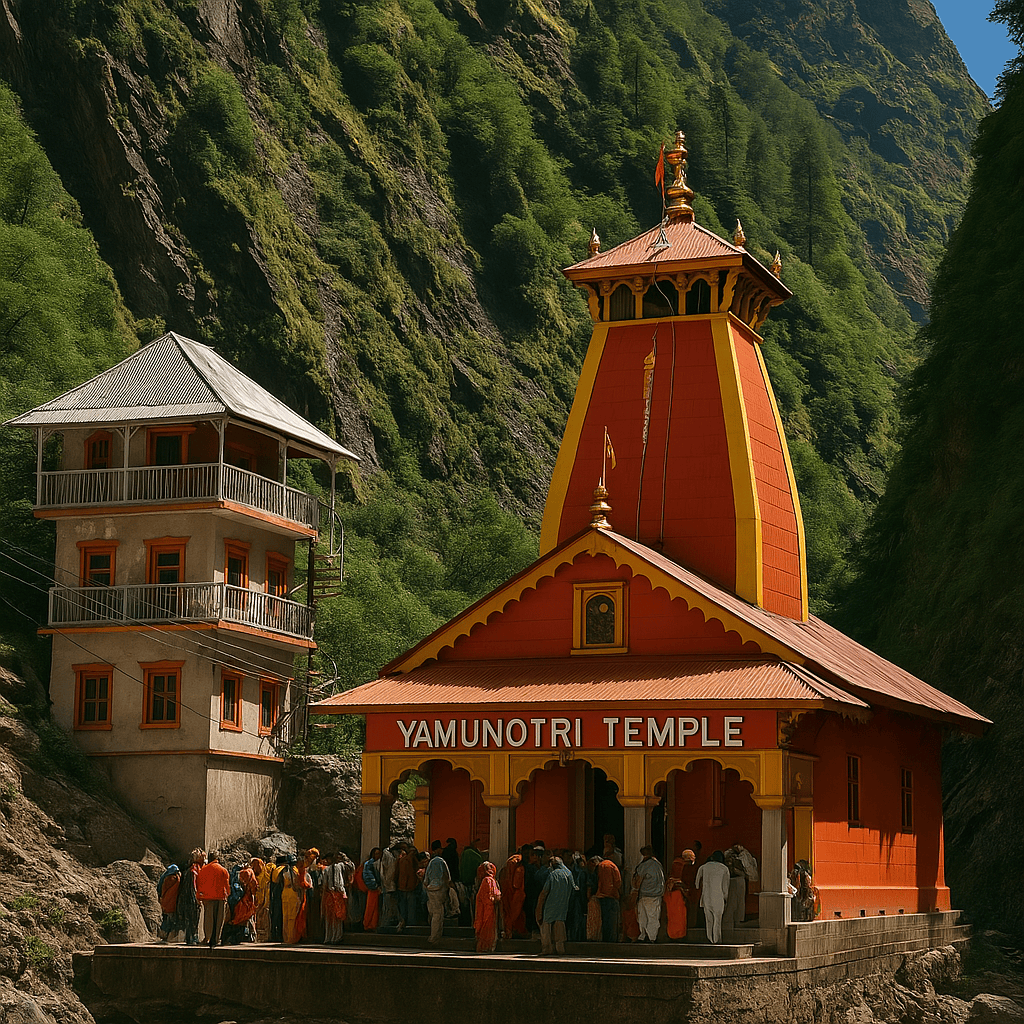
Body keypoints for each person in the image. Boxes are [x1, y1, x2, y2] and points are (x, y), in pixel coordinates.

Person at [536, 855, 575, 955]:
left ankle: (547, 948)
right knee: (560, 924)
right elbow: (574, 888)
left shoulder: (553, 874)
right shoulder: (569, 873)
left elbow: (545, 892)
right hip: (563, 904)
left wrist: (539, 906)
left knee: (546, 925)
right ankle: (560, 948)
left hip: (550, 904)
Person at [196, 850, 231, 948]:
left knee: (208, 919)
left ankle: (207, 938)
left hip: (207, 897)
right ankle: (216, 939)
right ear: (217, 858)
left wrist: (199, 896)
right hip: (220, 897)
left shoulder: (204, 869)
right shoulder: (223, 870)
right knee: (219, 920)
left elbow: (199, 884)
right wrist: (228, 894)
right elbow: (226, 884)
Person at [694, 850, 731, 944]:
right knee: (717, 921)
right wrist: (725, 898)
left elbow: (697, 883)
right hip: (718, 897)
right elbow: (725, 886)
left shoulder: (703, 867)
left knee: (709, 920)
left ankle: (710, 939)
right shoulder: (724, 869)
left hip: (706, 896)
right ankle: (716, 940)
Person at [631, 845, 665, 943]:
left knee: (643, 916)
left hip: (645, 894)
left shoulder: (644, 865)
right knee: (652, 916)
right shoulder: (658, 864)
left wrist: (634, 892)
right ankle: (651, 937)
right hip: (655, 895)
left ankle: (646, 936)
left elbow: (638, 881)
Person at [423, 840, 451, 945]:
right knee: (438, 914)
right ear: (438, 849)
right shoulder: (441, 861)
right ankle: (434, 937)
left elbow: (426, 880)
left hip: (430, 890)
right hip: (439, 889)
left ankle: (435, 935)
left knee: (433, 913)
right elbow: (447, 877)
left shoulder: (430, 863)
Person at [280, 853, 312, 944]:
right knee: (292, 917)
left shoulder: (283, 870)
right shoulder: (295, 871)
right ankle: (292, 938)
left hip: (285, 893)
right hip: (293, 894)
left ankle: (285, 937)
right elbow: (297, 884)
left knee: (285, 916)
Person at [474, 861, 502, 953]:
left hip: (487, 909)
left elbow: (489, 898)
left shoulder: (487, 880)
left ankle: (485, 947)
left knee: (485, 927)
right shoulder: (491, 880)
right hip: (489, 908)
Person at [178, 849, 204, 946]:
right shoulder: (195, 869)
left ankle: (190, 937)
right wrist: (197, 898)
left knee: (190, 919)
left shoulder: (190, 869)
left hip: (186, 897)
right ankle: (193, 937)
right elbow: (194, 885)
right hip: (192, 898)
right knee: (193, 918)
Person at [322, 853, 348, 944]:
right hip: (336, 895)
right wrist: (343, 893)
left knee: (329, 918)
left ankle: (328, 937)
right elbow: (338, 883)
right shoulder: (337, 868)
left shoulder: (325, 870)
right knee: (337, 917)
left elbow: (324, 884)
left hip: (328, 895)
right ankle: (336, 937)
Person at [595, 851, 621, 943]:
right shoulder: (612, 865)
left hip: (605, 896)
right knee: (613, 921)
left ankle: (607, 941)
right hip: (612, 896)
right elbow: (617, 882)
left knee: (607, 921)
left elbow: (605, 882)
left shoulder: (603, 866)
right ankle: (612, 940)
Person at [499, 849, 526, 938]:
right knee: (513, 914)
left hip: (510, 894)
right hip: (515, 895)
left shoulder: (506, 869)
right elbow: (516, 884)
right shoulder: (519, 869)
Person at [723, 847, 747, 934]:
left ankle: (731, 920)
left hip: (733, 880)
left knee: (732, 901)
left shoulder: (730, 861)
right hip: (740, 880)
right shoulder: (740, 860)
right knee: (739, 901)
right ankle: (738, 919)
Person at [664, 854, 689, 941]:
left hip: (674, 901)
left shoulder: (671, 881)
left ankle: (675, 935)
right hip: (677, 901)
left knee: (676, 918)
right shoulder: (677, 881)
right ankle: (678, 935)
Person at [566, 852, 589, 943]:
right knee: (576, 919)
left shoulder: (577, 871)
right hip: (577, 898)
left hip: (576, 898)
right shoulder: (579, 872)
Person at [156, 863, 181, 942]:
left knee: (166, 918)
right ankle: (166, 935)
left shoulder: (164, 878)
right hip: (171, 903)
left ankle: (163, 935)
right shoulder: (173, 879)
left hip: (164, 902)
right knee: (169, 920)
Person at [397, 842, 419, 929]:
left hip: (402, 886)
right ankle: (411, 924)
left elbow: (396, 873)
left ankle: (403, 922)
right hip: (411, 887)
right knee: (411, 907)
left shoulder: (401, 860)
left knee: (403, 907)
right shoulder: (413, 859)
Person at [358, 848, 381, 931]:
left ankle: (372, 924)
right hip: (373, 889)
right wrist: (375, 886)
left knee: (375, 908)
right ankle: (368, 924)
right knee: (371, 907)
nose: (378, 855)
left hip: (376, 888)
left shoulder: (376, 863)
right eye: (376, 854)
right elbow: (368, 876)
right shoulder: (369, 864)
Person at [252, 857, 273, 942]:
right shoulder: (253, 876)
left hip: (263, 903)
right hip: (254, 903)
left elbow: (266, 891)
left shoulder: (265, 877)